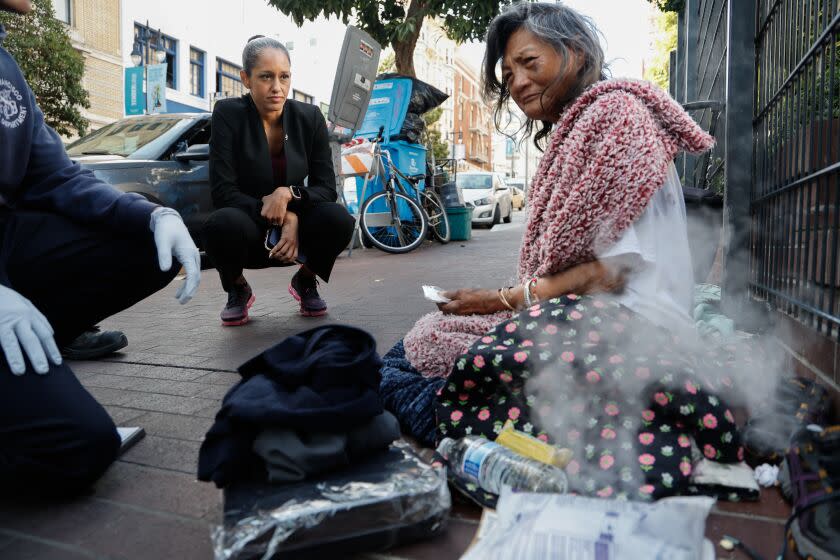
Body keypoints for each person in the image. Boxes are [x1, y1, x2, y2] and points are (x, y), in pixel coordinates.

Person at [382, 2, 744, 504]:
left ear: (573, 53)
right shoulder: (594, 120)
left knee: (417, 361)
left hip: (632, 328)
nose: (519, 82)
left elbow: (611, 272)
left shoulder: (614, 119)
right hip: (602, 317)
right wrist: (502, 302)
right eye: (509, 74)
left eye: (531, 62)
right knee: (428, 338)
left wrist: (502, 300)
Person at [0, 0, 201, 495]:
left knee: (141, 243)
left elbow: (58, 176)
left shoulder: (5, 63)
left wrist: (153, 214)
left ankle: (39, 351)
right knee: (77, 445)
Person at [204, 35, 354, 325]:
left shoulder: (308, 117)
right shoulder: (228, 114)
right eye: (265, 77)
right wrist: (285, 219)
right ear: (246, 79)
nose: (277, 87)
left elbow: (326, 188)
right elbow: (223, 191)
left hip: (297, 231)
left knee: (339, 220)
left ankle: (306, 280)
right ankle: (237, 288)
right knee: (218, 224)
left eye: (283, 77)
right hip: (248, 221)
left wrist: (288, 196)